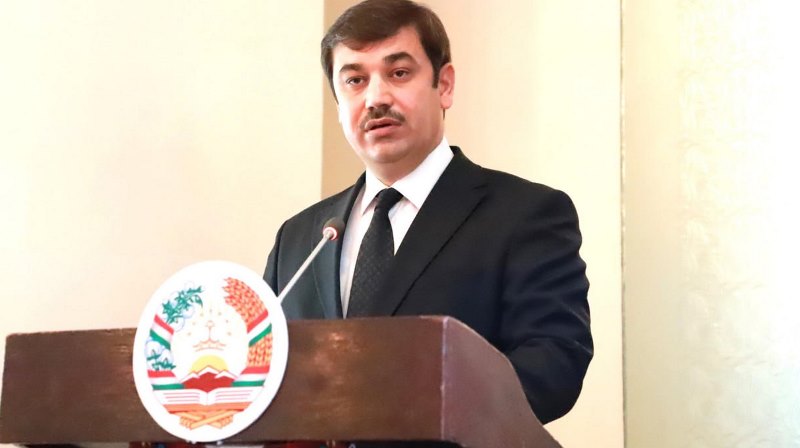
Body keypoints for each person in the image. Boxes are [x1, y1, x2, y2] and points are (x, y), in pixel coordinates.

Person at [264, 0, 592, 425]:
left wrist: (416, 408)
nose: (376, 98)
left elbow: (554, 363)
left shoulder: (525, 214)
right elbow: (264, 370)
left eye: (399, 73)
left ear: (445, 85)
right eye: (355, 81)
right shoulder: (299, 237)